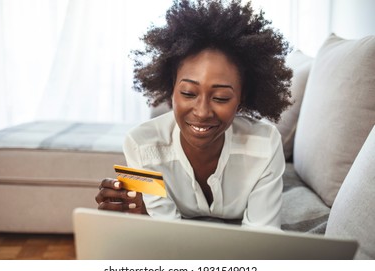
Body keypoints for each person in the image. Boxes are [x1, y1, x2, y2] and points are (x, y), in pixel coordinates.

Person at [95, 0, 292, 229]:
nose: (202, 112)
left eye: (220, 98)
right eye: (188, 93)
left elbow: (262, 236)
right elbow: (166, 231)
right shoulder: (141, 145)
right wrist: (141, 216)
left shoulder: (265, 144)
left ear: (242, 98)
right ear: (172, 89)